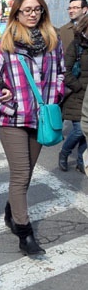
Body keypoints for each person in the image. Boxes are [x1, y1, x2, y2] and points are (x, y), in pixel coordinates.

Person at [0, 0, 65, 256]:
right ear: (17, 12)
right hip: (14, 120)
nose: (32, 14)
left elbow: (60, 73)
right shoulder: (4, 45)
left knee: (26, 174)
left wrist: (56, 95)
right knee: (20, 174)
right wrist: (9, 105)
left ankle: (11, 211)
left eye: (37, 9)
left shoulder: (53, 41)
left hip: (40, 118)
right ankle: (24, 234)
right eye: (27, 10)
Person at [59, 14, 88, 174]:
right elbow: (65, 71)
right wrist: (79, 87)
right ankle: (64, 153)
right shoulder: (76, 45)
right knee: (79, 130)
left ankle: (81, 162)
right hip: (77, 95)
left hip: (87, 97)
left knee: (86, 132)